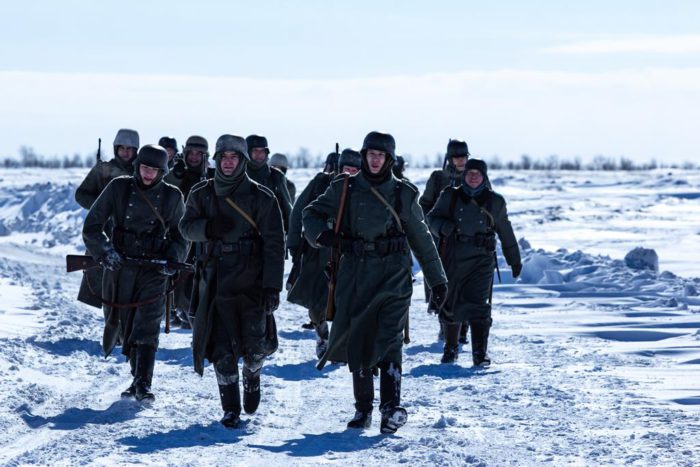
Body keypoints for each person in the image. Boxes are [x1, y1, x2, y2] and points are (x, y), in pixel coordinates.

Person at [303, 131, 447, 434]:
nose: (375, 160)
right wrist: (324, 236)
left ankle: (390, 408)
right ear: (364, 156)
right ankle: (363, 409)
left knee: (391, 340)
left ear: (389, 159)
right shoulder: (344, 188)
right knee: (360, 340)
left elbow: (421, 238)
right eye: (371, 154)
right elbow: (310, 213)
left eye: (381, 155)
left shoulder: (403, 193)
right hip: (355, 274)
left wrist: (437, 280)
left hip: (394, 276)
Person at [179, 134, 285, 428]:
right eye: (223, 158)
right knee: (221, 348)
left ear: (243, 161)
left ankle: (252, 375)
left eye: (233, 158)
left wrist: (272, 286)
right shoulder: (202, 193)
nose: (227, 163)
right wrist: (208, 228)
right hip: (215, 280)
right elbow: (185, 228)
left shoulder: (262, 197)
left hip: (252, 280)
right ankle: (230, 409)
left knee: (254, 348)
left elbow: (275, 243)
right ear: (216, 160)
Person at [82, 144, 187, 401]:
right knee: (124, 326)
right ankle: (135, 375)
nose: (148, 174)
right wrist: (105, 252)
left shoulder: (173, 196)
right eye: (145, 168)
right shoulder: (118, 187)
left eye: (154, 170)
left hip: (154, 269)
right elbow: (92, 226)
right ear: (138, 166)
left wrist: (172, 259)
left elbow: (181, 236)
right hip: (121, 267)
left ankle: (143, 383)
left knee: (147, 324)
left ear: (162, 172)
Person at [427, 158, 521, 366]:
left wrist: (514, 260)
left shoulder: (495, 201)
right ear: (464, 175)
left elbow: (505, 230)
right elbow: (431, 219)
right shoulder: (450, 196)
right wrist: (443, 227)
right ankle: (450, 349)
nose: (473, 177)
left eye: (477, 174)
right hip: (453, 255)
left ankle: (480, 353)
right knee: (451, 301)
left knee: (479, 304)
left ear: (484, 177)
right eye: (469, 173)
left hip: (482, 259)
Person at [287, 148, 360, 358]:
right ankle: (322, 335)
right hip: (318, 249)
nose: (349, 174)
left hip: (348, 251)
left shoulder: (363, 189)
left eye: (354, 170)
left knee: (347, 297)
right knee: (317, 299)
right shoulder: (321, 183)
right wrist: (294, 244)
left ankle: (342, 341)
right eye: (346, 169)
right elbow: (299, 212)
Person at [75, 129, 140, 311]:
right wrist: (102, 207)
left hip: (132, 234)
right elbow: (81, 195)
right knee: (103, 278)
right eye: (122, 148)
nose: (125, 152)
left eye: (129, 149)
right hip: (105, 231)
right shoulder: (103, 169)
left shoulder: (141, 171)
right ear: (116, 149)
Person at [419, 139, 472, 340]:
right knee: (443, 283)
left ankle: (464, 325)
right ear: (450, 159)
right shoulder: (438, 178)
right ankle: (446, 324)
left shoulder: (475, 175)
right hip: (443, 240)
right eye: (456, 157)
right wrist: (437, 225)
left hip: (468, 240)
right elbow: (424, 205)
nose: (460, 161)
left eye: (463, 156)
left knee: (468, 283)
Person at [163, 135, 210, 328]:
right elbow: (164, 194)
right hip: (178, 231)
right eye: (191, 153)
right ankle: (176, 307)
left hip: (204, 234)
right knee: (176, 273)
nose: (194, 157)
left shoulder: (212, 175)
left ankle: (195, 313)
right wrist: (176, 175)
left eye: (199, 154)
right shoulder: (175, 173)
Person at [245, 135, 292, 232]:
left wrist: (292, 233)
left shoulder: (276, 176)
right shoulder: (238, 175)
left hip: (271, 232)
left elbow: (287, 208)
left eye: (262, 151)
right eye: (255, 151)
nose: (259, 154)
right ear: (248, 152)